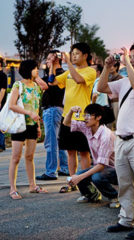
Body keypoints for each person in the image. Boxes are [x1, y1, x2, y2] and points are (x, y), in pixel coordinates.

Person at [97, 44, 134, 239]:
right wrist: (107, 67)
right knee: (124, 183)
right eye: (129, 57)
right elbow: (101, 87)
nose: (130, 60)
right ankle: (126, 219)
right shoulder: (123, 81)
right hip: (121, 139)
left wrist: (126, 65)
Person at [49, 42, 96, 193]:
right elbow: (52, 82)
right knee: (70, 151)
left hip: (83, 118)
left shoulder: (90, 71)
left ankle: (85, 182)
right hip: (67, 117)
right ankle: (72, 181)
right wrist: (52, 65)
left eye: (76, 53)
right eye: (72, 53)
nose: (74, 56)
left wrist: (68, 62)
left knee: (83, 152)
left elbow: (78, 80)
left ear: (85, 55)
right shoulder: (69, 71)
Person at [63, 104, 119, 208]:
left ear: (98, 117)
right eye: (85, 115)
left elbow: (101, 165)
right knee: (80, 174)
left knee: (95, 177)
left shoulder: (106, 136)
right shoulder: (87, 127)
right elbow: (66, 122)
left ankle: (115, 197)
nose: (85, 118)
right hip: (102, 166)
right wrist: (71, 110)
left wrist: (79, 177)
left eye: (88, 115)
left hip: (116, 169)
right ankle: (92, 195)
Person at [8, 60, 47, 200]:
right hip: (19, 125)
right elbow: (12, 105)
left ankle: (32, 185)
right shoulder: (18, 85)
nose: (37, 70)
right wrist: (28, 113)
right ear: (28, 70)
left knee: (30, 156)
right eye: (35, 69)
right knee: (15, 157)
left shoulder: (36, 86)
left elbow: (36, 106)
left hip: (31, 125)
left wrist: (37, 126)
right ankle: (12, 189)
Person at [36, 50, 69, 181]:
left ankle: (50, 171)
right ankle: (65, 168)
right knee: (59, 141)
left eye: (50, 59)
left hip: (52, 110)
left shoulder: (57, 75)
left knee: (51, 141)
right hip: (59, 110)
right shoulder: (62, 74)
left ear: (56, 60)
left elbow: (47, 85)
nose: (47, 62)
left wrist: (34, 75)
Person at [0, 58, 7, 152]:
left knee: (0, 124)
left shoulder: (2, 75)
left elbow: (3, 89)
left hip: (0, 103)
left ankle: (1, 145)